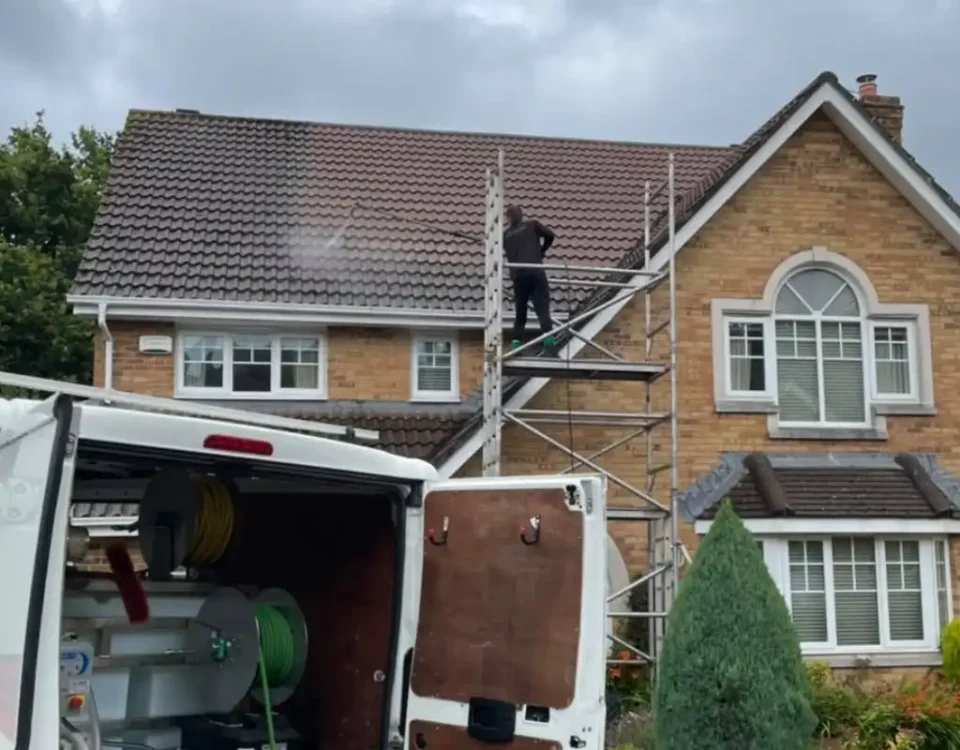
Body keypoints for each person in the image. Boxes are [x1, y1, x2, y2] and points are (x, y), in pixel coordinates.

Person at [502, 205, 556, 353]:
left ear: (508, 219)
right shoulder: (532, 225)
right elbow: (550, 236)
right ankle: (550, 345)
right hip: (535, 272)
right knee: (542, 310)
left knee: (520, 312)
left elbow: (493, 245)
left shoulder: (505, 236)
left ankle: (516, 346)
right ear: (522, 215)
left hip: (519, 277)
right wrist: (541, 251)